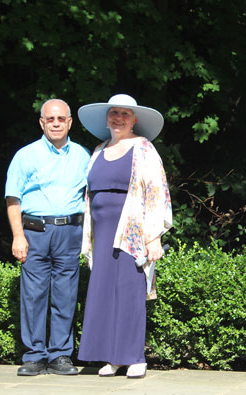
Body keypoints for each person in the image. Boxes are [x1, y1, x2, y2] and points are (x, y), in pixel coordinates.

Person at [77, 94, 172, 379]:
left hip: (132, 231)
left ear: (134, 120)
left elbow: (157, 191)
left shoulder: (144, 148)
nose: (118, 118)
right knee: (104, 293)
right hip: (102, 233)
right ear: (107, 118)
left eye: (125, 114)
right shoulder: (98, 149)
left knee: (130, 293)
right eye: (114, 113)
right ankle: (112, 357)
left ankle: (133, 357)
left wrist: (152, 237)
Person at [5, 98, 90, 376]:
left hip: (70, 232)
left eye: (60, 119)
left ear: (69, 122)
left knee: (65, 296)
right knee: (33, 295)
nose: (55, 123)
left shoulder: (83, 156)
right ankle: (34, 356)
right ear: (42, 122)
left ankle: (60, 355)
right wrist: (18, 236)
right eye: (50, 119)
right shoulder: (25, 155)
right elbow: (13, 198)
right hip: (34, 232)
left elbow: (90, 198)